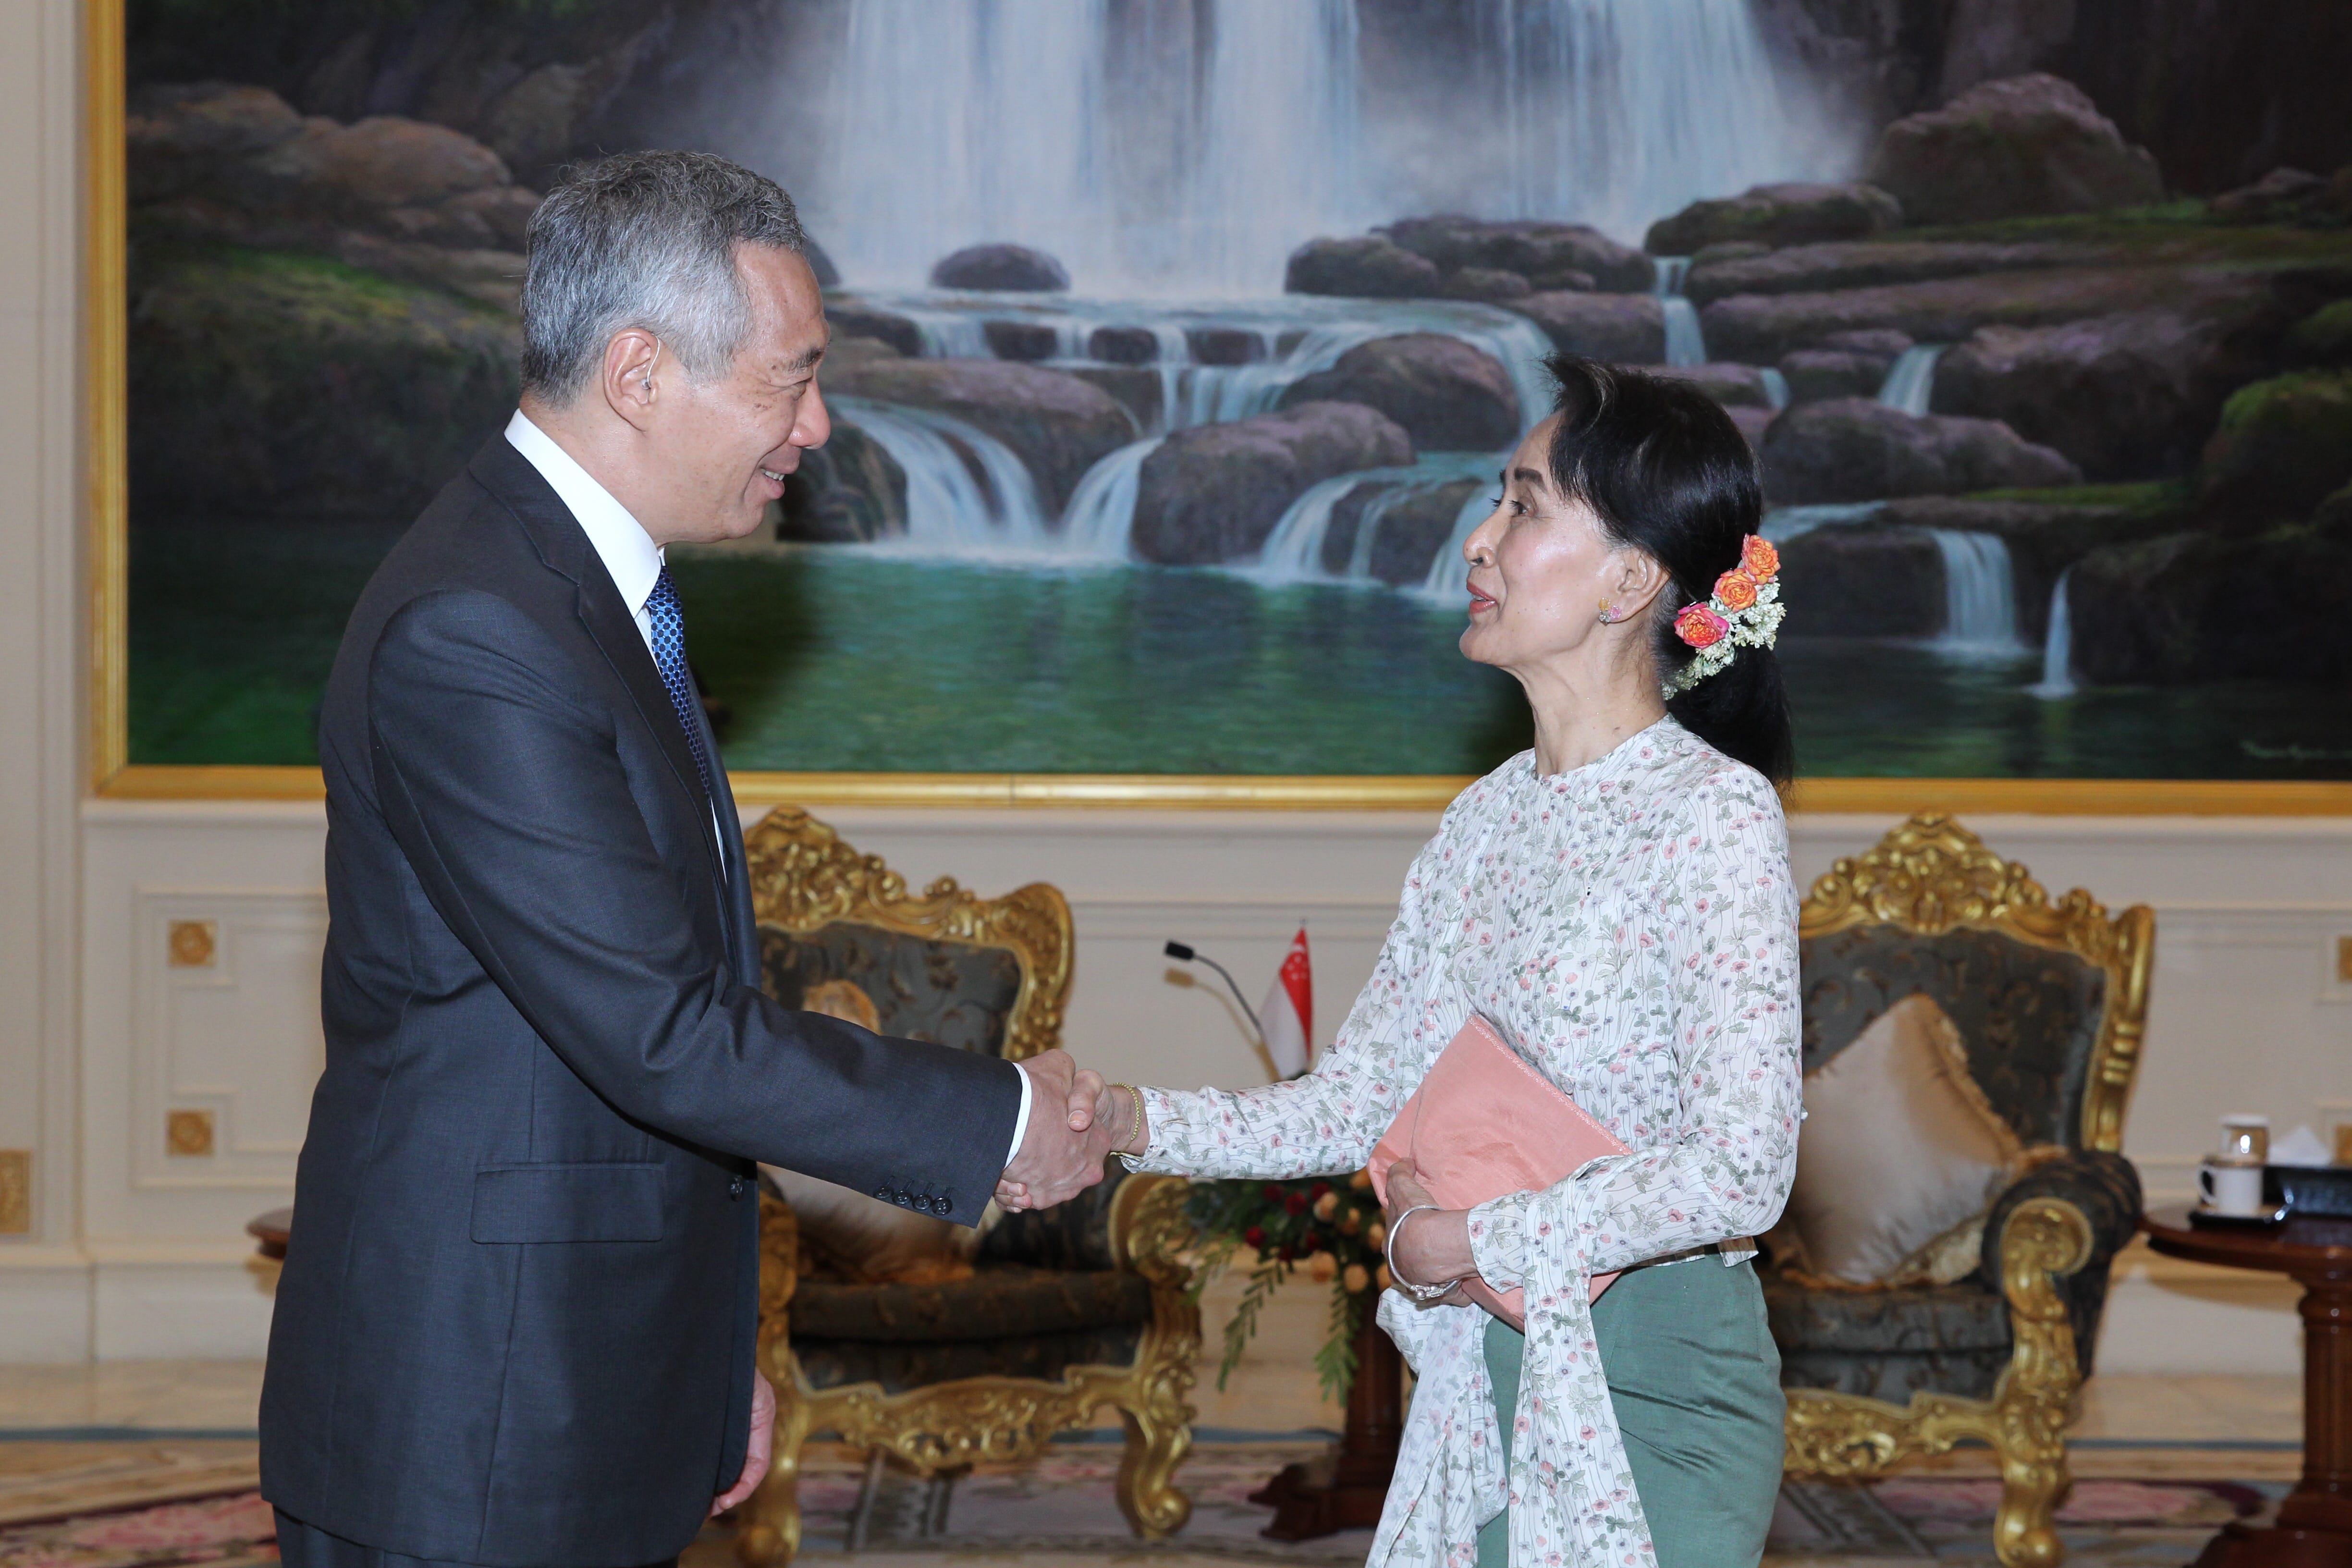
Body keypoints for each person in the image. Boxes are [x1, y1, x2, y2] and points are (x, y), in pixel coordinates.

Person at [260, 150, 1109, 1568]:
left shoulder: (569, 591)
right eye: (790, 379)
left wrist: (709, 1361)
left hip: (570, 1382)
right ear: (641, 373)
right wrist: (1001, 1121)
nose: (819, 427)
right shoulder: (481, 631)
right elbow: (663, 1035)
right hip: (474, 1418)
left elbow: (626, 1064)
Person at [1080, 357, 1804, 1567]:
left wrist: (1475, 1244)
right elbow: (1358, 1099)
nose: (1479, 539)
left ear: (1632, 576)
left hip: (1658, 1375)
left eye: (1524, 505)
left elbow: (1744, 1169)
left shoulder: (1714, 814)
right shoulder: (1484, 819)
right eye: (1498, 499)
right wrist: (1120, 1118)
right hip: (1490, 1369)